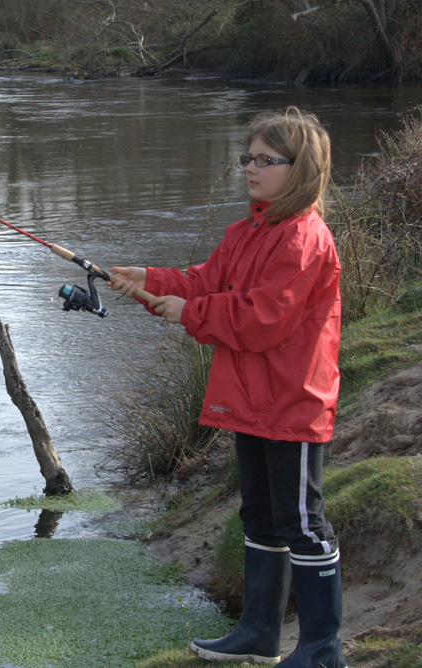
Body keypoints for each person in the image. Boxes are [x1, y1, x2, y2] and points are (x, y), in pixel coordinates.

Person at [109, 107, 346, 667]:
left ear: (302, 168)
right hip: (249, 404)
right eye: (248, 158)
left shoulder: (303, 239)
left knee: (303, 523)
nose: (251, 168)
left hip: (294, 404)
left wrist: (189, 312)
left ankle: (321, 647)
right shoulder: (245, 233)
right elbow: (204, 281)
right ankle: (260, 634)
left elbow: (262, 318)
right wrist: (146, 279)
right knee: (260, 517)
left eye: (267, 160)